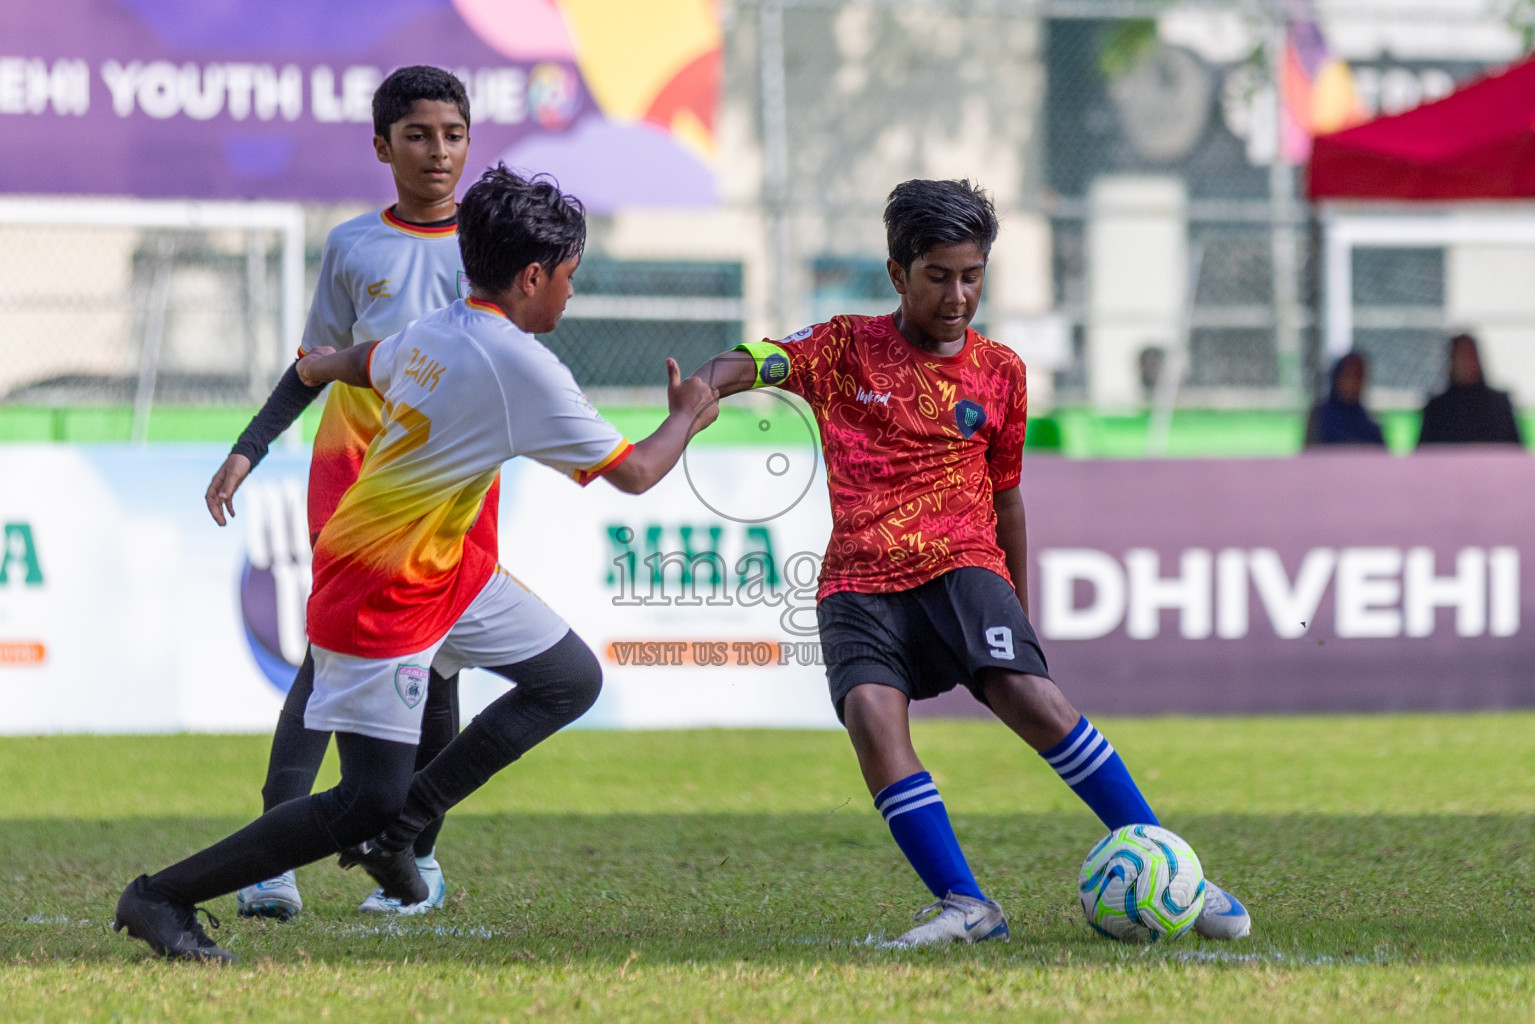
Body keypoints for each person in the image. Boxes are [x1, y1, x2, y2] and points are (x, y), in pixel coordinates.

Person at [113, 166, 719, 962]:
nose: (571, 295)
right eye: (569, 277)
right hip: (382, 582)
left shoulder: (442, 327)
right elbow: (637, 472)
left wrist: (319, 368)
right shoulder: (522, 364)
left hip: (447, 570)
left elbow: (374, 359)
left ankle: (403, 828)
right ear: (532, 276)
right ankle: (161, 897)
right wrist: (689, 413)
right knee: (361, 798)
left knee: (570, 678)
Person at [688, 179, 1251, 947]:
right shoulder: (844, 345)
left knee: (1032, 698)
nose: (957, 295)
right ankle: (966, 906)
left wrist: (1015, 600)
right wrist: (705, 387)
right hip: (856, 578)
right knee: (871, 720)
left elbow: (1008, 498)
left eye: (971, 275)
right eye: (938, 276)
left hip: (961, 562)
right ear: (897, 273)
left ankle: (1178, 870)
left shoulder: (1002, 372)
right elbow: (759, 360)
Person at [203, 66, 481, 919]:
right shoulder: (354, 246)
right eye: (418, 136)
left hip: (456, 489)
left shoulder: (496, 243)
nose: (439, 152)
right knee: (331, 658)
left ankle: (416, 859)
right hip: (356, 485)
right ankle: (272, 864)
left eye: (453, 135)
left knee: (438, 661)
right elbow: (312, 364)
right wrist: (249, 449)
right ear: (381, 147)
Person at [1416, 333, 1524, 447]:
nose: (1464, 362)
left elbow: (1514, 449)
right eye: (1459, 357)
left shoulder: (1499, 404)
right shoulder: (1436, 407)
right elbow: (1425, 452)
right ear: (1451, 361)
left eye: (1468, 355)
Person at [1304, 351, 1385, 448]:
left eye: (1359, 376)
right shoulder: (1319, 416)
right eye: (1349, 375)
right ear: (1337, 377)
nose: (1354, 383)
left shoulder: (1369, 424)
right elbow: (1310, 455)